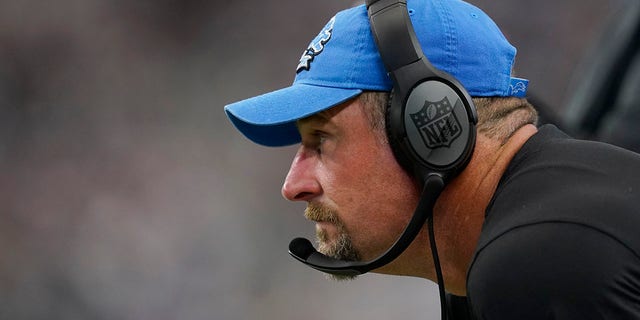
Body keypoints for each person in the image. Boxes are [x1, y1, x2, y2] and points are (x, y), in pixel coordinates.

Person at [224, 0, 640, 319]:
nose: (293, 185)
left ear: (428, 128)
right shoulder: (532, 237)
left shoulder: (533, 263)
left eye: (321, 140)